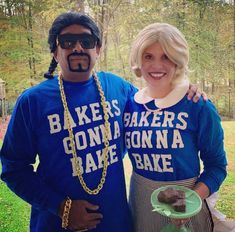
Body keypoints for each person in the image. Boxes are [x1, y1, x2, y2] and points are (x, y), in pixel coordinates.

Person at [0, 12, 203, 232]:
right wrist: (61, 207)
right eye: (67, 41)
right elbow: (13, 169)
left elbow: (155, 101)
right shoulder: (32, 101)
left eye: (86, 41)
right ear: (55, 51)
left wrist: (183, 87)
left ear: (97, 49)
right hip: (57, 224)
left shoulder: (118, 88)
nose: (78, 47)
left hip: (117, 223)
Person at [124, 23, 227, 232]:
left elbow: (217, 166)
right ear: (138, 60)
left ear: (178, 60)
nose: (156, 65)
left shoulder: (198, 105)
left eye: (166, 56)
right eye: (148, 56)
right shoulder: (129, 103)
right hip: (140, 205)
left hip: (186, 207)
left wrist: (190, 201)